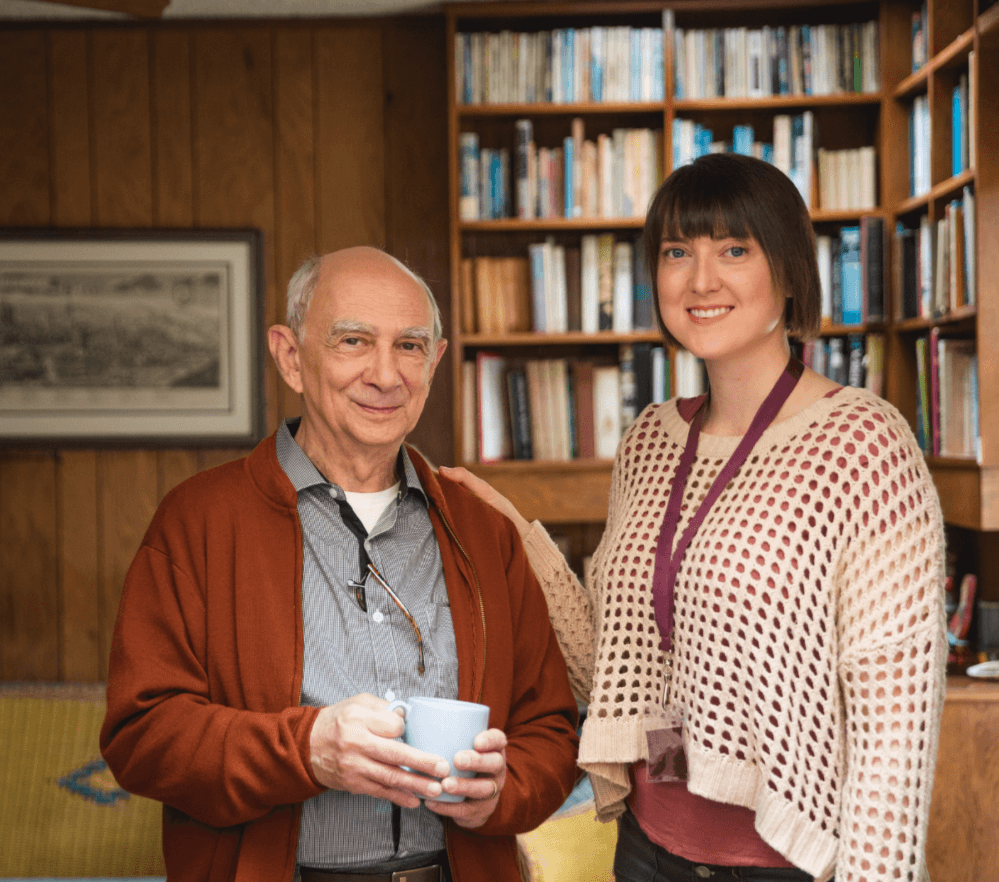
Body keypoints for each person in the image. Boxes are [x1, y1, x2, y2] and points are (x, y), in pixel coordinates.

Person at [442, 153, 947, 882]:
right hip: (648, 852)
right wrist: (514, 531)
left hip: (789, 864)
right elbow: (616, 665)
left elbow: (896, 731)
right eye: (678, 252)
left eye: (734, 250)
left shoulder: (861, 445)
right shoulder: (649, 439)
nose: (701, 279)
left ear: (790, 273)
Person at [100, 246, 579, 882]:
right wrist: (306, 751)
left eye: (410, 346)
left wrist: (501, 791)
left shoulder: (483, 531)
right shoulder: (199, 521)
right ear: (291, 357)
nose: (386, 374)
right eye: (353, 341)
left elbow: (549, 727)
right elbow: (143, 736)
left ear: (435, 362)